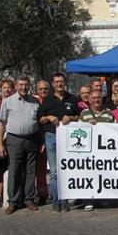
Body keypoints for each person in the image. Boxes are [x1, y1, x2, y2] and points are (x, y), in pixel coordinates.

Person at [0, 76, 40, 214]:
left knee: (30, 170)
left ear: (29, 86)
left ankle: (28, 199)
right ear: (16, 86)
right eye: (21, 85)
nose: (23, 88)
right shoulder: (8, 101)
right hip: (14, 139)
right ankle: (13, 201)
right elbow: (1, 123)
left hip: (32, 139)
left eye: (26, 85)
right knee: (14, 170)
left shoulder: (34, 101)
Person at [37, 73, 78, 212]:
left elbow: (79, 117)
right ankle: (56, 201)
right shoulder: (47, 100)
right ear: (53, 84)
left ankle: (65, 200)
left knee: (66, 170)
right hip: (51, 136)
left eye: (61, 81)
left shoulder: (72, 99)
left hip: (68, 138)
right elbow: (40, 119)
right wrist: (49, 117)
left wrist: (71, 118)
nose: (59, 84)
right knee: (54, 171)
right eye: (56, 82)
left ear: (65, 83)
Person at [79, 90, 115, 211]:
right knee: (88, 176)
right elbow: (79, 130)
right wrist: (87, 125)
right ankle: (88, 200)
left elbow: (115, 130)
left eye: (98, 98)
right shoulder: (84, 114)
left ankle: (103, 198)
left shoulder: (109, 113)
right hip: (89, 151)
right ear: (89, 100)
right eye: (93, 98)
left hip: (105, 151)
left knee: (104, 175)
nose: (96, 100)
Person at [34, 80, 50, 205]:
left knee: (49, 169)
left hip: (51, 137)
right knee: (38, 169)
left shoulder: (52, 101)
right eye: (41, 89)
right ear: (37, 91)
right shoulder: (34, 103)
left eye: (46, 89)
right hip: (37, 139)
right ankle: (38, 193)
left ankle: (46, 193)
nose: (44, 91)